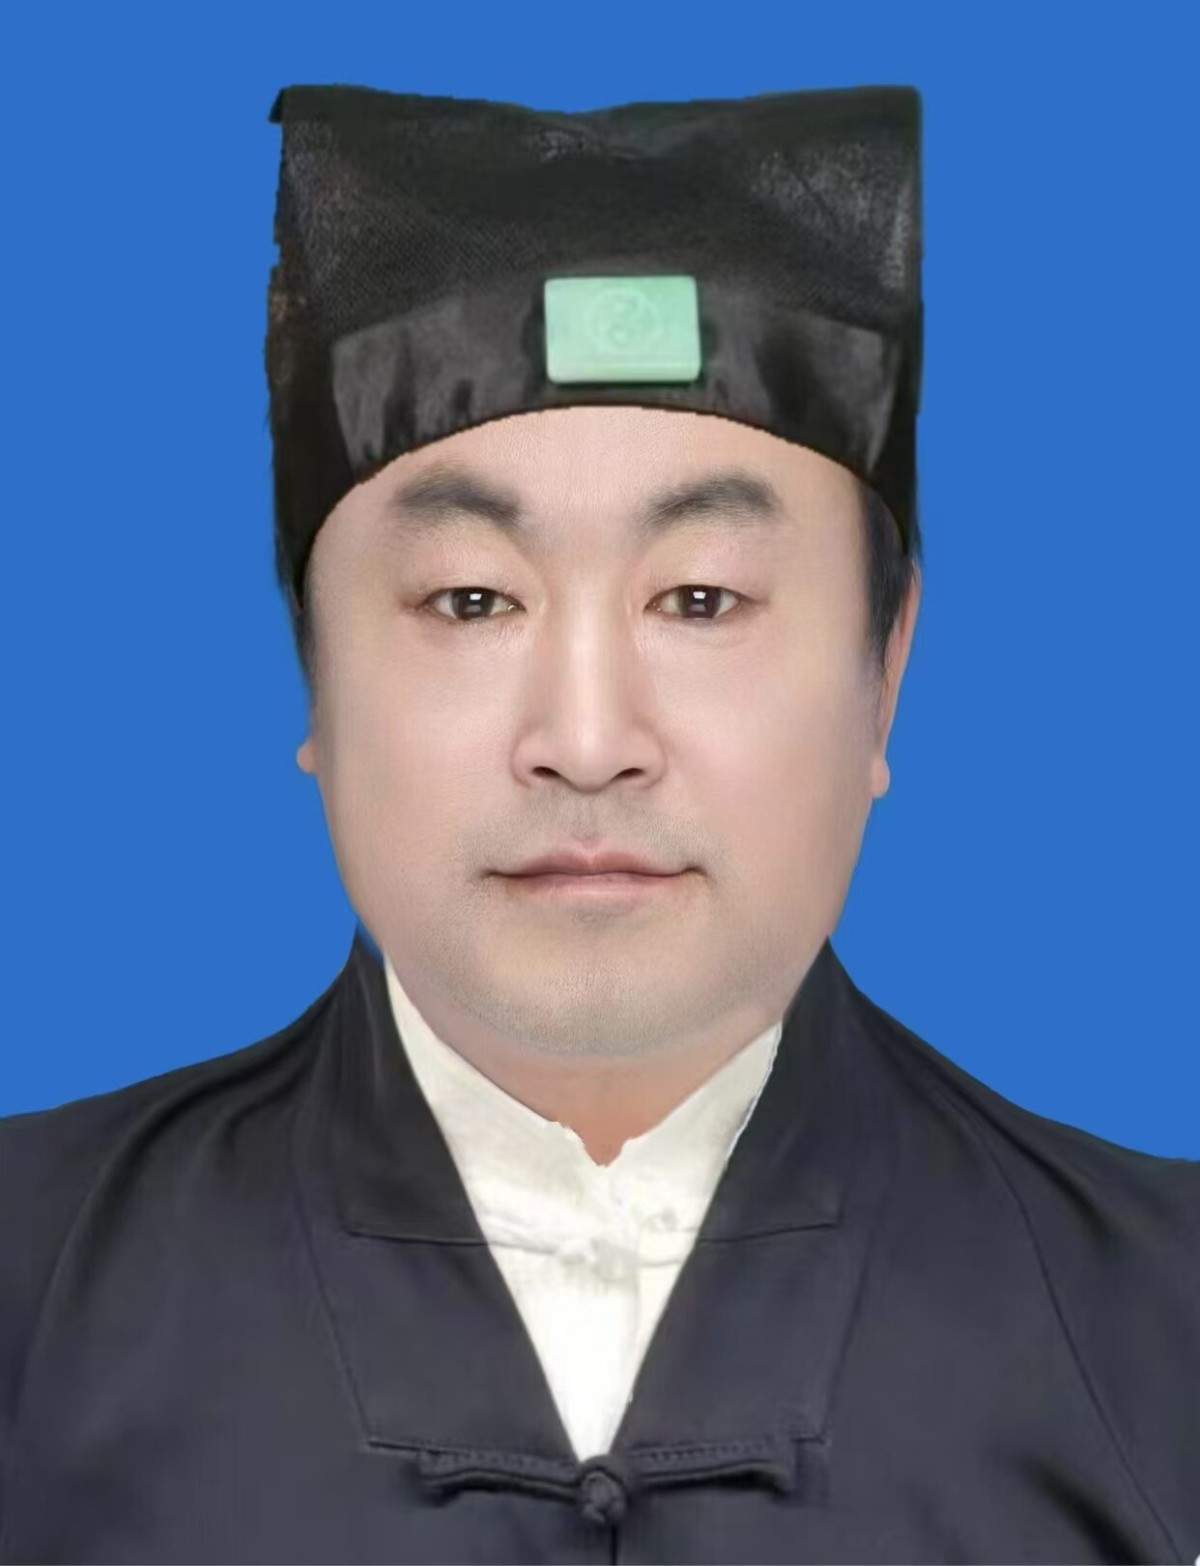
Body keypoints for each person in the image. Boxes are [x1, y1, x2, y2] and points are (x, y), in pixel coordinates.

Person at [0, 82, 1195, 1566]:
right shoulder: (32, 1292)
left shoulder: (1165, 1325)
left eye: (700, 599)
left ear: (885, 671)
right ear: (315, 669)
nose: (584, 740)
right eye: (470, 600)